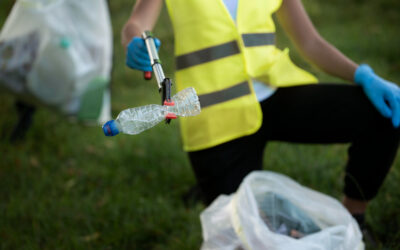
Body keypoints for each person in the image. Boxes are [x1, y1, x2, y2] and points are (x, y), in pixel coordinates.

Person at [122, 0, 400, 238]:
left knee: (382, 114)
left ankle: (355, 218)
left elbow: (310, 41)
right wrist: (135, 41)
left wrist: (362, 75)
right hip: (216, 117)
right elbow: (136, 22)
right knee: (243, 236)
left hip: (277, 94)